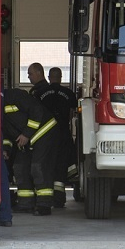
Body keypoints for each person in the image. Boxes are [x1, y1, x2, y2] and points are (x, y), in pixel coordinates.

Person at [2, 88, 58, 216]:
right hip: (25, 139)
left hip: (44, 131)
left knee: (38, 167)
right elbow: (6, 133)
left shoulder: (15, 95)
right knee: (20, 167)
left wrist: (27, 134)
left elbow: (36, 111)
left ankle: (44, 205)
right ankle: (25, 204)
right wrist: (6, 149)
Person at [36, 67, 78, 208]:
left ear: (49, 77)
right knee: (61, 166)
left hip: (45, 134)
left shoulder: (40, 93)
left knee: (47, 164)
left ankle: (45, 198)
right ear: (61, 77)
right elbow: (73, 113)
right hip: (63, 133)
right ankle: (59, 199)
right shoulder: (69, 94)